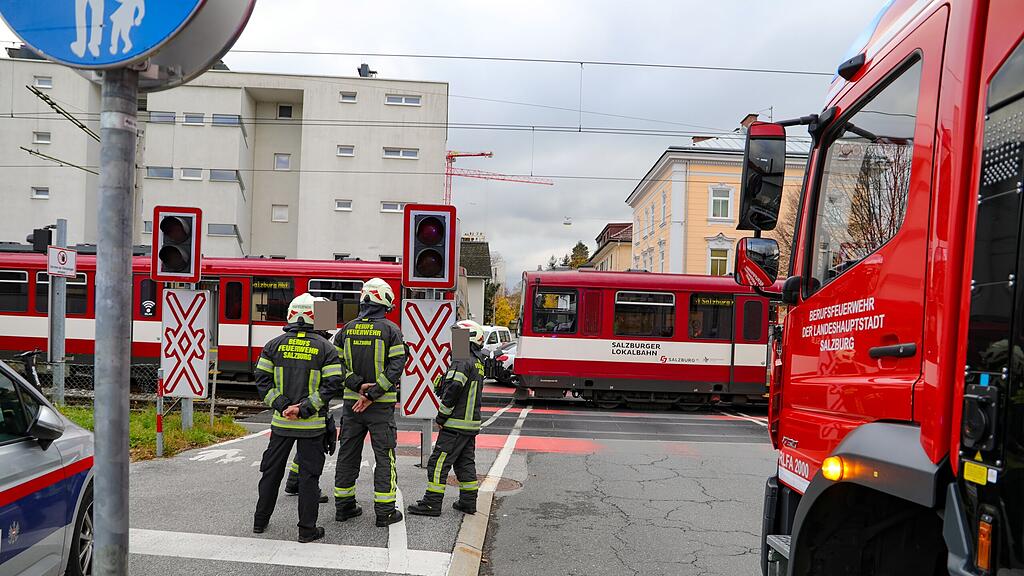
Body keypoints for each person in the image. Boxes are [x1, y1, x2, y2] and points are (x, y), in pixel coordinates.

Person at [253, 293, 344, 543]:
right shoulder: (325, 348)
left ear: (291, 315)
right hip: (312, 427)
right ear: (315, 317)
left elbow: (262, 380)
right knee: (309, 478)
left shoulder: (273, 345)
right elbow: (332, 384)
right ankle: (307, 530)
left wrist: (283, 406)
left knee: (271, 473)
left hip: (281, 424)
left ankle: (260, 522)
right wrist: (304, 409)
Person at [332, 278, 407, 527]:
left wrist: (357, 386)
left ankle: (344, 507)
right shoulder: (391, 330)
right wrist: (372, 394)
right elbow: (396, 367)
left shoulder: (346, 329)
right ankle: (385, 512)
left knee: (347, 454)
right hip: (380, 407)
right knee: (384, 457)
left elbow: (335, 365)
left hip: (351, 406)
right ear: (384, 302)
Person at [408, 320, 486, 517]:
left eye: (458, 336)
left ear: (468, 339)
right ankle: (468, 502)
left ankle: (431, 504)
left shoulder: (462, 360)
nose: (454, 341)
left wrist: (442, 416)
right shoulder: (478, 362)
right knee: (465, 463)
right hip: (470, 425)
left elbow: (454, 388)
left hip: (455, 424)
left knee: (437, 463)